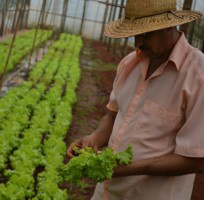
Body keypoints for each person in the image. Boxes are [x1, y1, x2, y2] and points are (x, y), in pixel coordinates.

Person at [67, 0, 204, 199]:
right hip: (107, 191)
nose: (138, 42)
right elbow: (112, 116)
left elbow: (197, 160)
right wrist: (94, 138)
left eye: (146, 34)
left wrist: (125, 169)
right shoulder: (129, 63)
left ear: (168, 26)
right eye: (135, 34)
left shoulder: (197, 75)